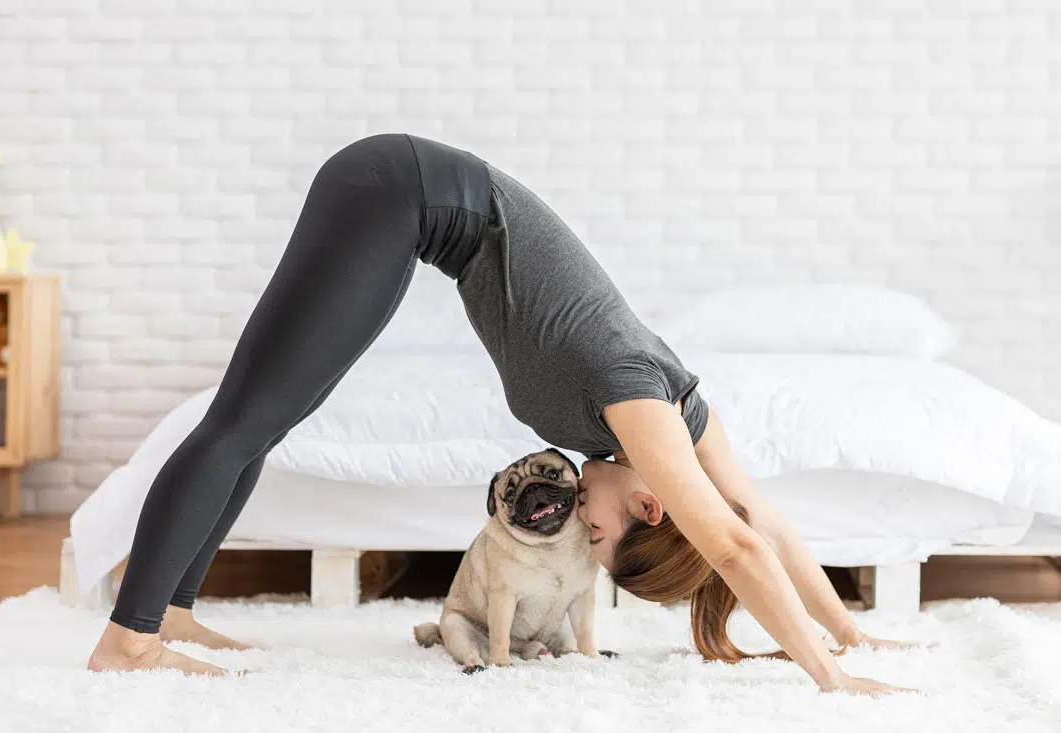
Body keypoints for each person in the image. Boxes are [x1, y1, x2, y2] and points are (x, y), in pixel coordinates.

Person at [87, 133, 914, 695]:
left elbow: (758, 520)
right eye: (597, 532)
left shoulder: (690, 423)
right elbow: (731, 544)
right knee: (241, 419)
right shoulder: (643, 408)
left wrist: (848, 629)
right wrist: (828, 677)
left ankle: (175, 610)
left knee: (261, 422)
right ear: (647, 503)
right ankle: (128, 642)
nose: (577, 526)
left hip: (407, 205)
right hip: (396, 191)